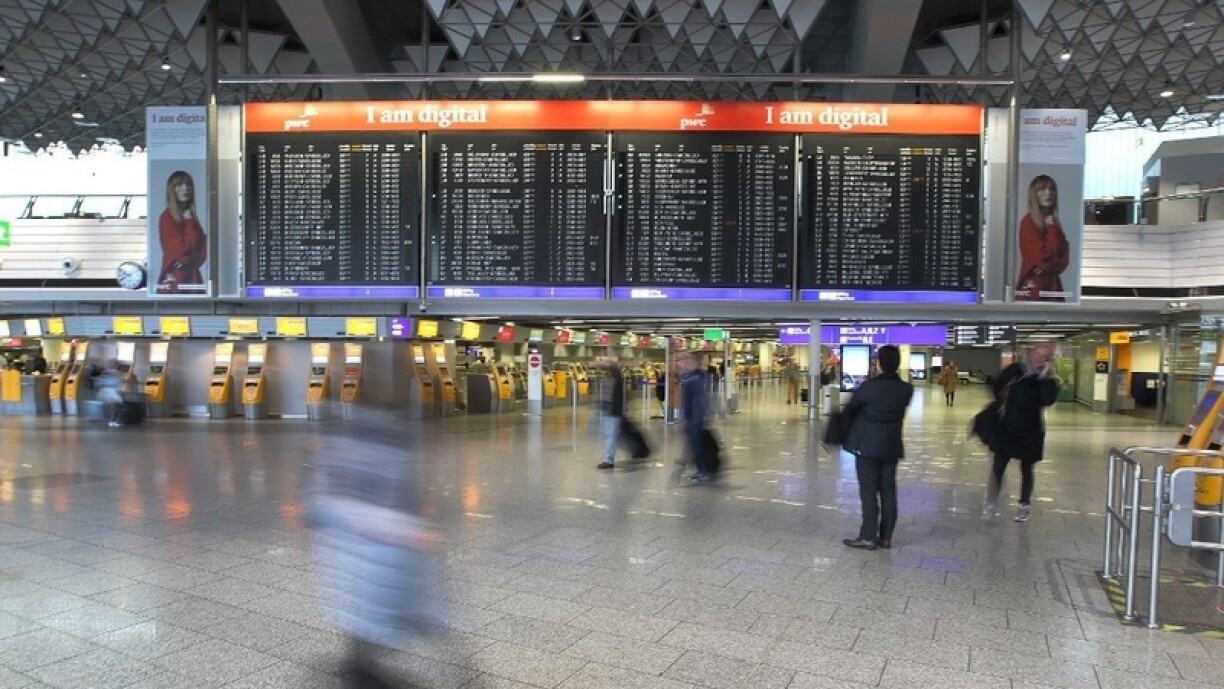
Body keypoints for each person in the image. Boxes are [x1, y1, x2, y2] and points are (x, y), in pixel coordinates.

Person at [306, 414, 445, 689]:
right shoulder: (388, 462)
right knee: (373, 615)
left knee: (364, 616)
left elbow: (319, 508)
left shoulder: (344, 469)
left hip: (361, 568)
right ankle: (359, 668)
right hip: (377, 567)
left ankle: (358, 666)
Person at [841, 346, 914, 551]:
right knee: (888, 491)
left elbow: (852, 408)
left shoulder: (869, 387)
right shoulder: (906, 389)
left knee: (868, 492)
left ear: (879, 363)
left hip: (867, 446)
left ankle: (867, 537)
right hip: (891, 446)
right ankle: (886, 537)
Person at [983, 342, 1060, 523]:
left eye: (1044, 356)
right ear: (1031, 353)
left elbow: (1047, 400)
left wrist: (1043, 377)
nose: (1038, 358)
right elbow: (997, 385)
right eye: (1037, 353)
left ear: (1049, 359)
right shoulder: (1015, 370)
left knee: (1027, 468)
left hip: (1030, 430)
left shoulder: (1049, 381)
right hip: (1007, 426)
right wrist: (1002, 404)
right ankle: (992, 499)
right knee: (999, 465)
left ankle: (1024, 505)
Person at [1014, 175, 1070, 302]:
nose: (1048, 193)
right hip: (1034, 288)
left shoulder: (1053, 223)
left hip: (1053, 287)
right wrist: (1051, 229)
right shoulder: (1028, 222)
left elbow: (1064, 257)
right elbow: (1045, 258)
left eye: (1052, 189)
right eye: (1042, 189)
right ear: (1034, 195)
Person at [156, 170, 207, 294]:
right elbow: (182, 253)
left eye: (188, 184)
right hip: (175, 279)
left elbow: (202, 252)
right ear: (172, 190)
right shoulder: (167, 217)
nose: (185, 188)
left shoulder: (191, 217)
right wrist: (189, 221)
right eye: (179, 185)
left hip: (193, 278)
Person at [678, 352, 713, 481]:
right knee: (693, 445)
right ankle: (700, 468)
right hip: (691, 416)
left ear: (695, 361)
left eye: (687, 358)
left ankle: (702, 471)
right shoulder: (691, 375)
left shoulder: (697, 377)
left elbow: (700, 398)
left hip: (695, 417)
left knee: (696, 446)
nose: (684, 361)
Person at [595, 358, 625, 469]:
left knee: (611, 436)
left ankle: (608, 460)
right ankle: (608, 458)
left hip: (613, 410)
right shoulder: (609, 378)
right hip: (607, 409)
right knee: (609, 435)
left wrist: (609, 362)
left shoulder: (617, 378)